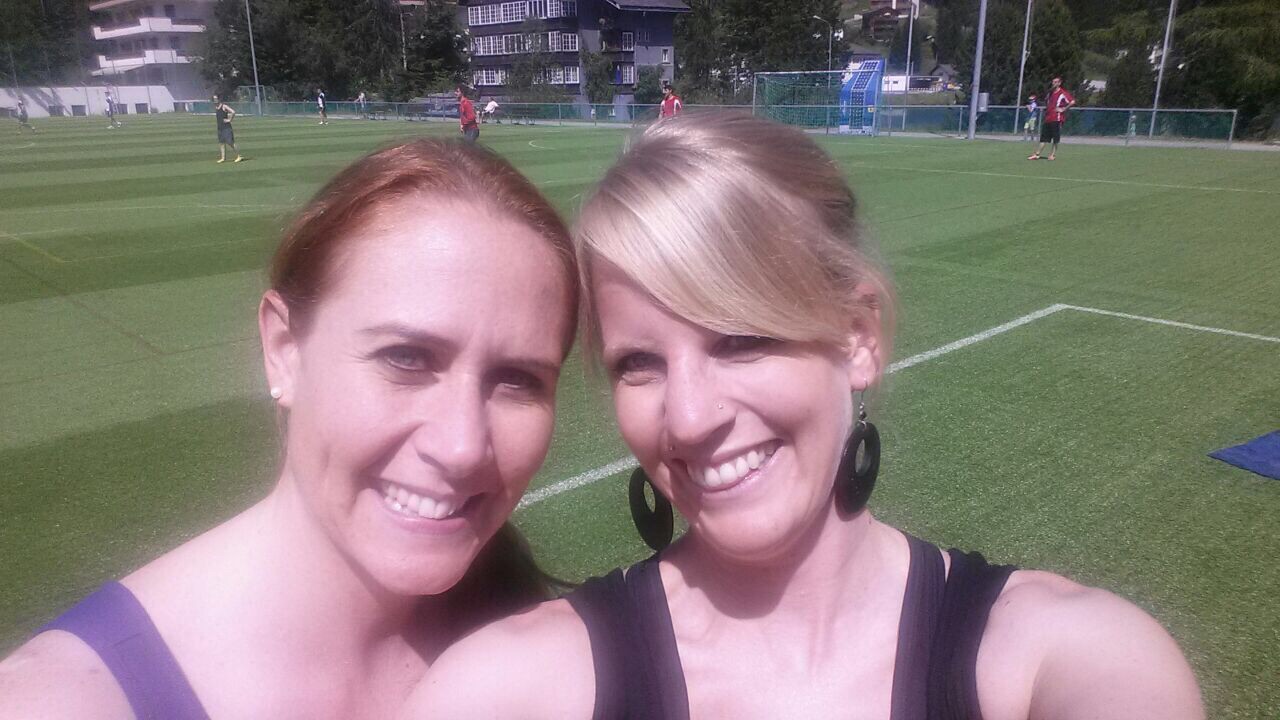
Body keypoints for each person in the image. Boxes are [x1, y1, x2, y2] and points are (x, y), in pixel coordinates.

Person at [407, 113, 1204, 719]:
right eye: (639, 364)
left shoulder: (1064, 654)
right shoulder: (511, 685)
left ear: (858, 338)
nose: (689, 418)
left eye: (742, 338)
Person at [0, 138, 579, 719]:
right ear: (284, 350)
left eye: (517, 380)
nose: (462, 446)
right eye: (405, 358)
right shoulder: (59, 702)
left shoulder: (549, 649)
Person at [1029, 77, 1075, 160]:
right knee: (1043, 138)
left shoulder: (1062, 93)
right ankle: (1037, 154)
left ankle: (1052, 155)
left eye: (1055, 82)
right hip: (1048, 118)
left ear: (1059, 83)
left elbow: (1072, 102)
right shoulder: (1050, 93)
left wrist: (1063, 109)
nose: (1053, 83)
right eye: (1053, 82)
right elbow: (1047, 104)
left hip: (1056, 119)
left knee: (1055, 139)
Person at [213, 95, 243, 164]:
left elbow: (233, 112)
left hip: (226, 128)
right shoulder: (216, 107)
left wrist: (230, 120)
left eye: (216, 99)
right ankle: (223, 158)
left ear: (219, 99)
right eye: (214, 99)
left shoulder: (224, 106)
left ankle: (239, 156)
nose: (215, 100)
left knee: (230, 142)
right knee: (221, 143)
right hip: (220, 128)